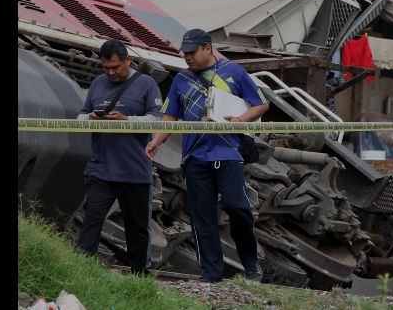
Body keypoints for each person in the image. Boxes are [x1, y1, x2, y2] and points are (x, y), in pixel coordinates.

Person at [145, 28, 269, 283]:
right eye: (185, 53)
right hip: (194, 157)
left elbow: (261, 103)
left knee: (237, 206)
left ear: (208, 48)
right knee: (201, 215)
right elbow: (170, 116)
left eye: (192, 52)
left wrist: (241, 119)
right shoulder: (181, 79)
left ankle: (251, 264)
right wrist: (156, 140)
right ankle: (211, 273)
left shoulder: (234, 71)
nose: (187, 57)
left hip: (229, 153)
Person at [77, 39, 163, 274]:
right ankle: (80, 270)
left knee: (137, 228)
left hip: (135, 171)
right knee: (91, 221)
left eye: (115, 67)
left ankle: (139, 277)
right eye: (106, 68)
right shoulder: (98, 83)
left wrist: (127, 120)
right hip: (100, 169)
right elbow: (80, 116)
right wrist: (90, 118)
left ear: (128, 60)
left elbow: (158, 119)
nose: (111, 73)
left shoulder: (146, 84)